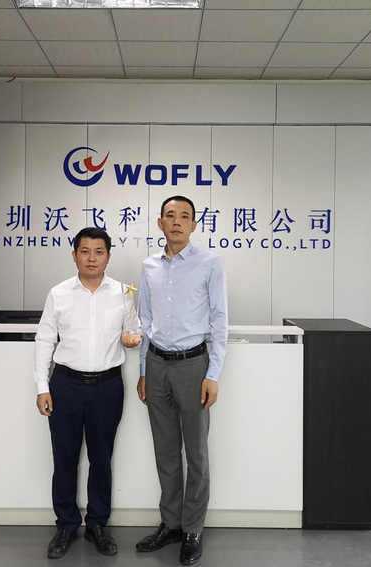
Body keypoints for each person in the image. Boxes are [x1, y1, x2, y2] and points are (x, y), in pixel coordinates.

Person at [34, 227, 141, 559]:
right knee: (64, 459)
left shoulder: (123, 293)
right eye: (85, 251)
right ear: (74, 255)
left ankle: (97, 524)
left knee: (101, 460)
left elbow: (134, 329)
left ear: (108, 256)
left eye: (98, 252)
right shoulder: (59, 294)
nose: (91, 258)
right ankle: (66, 525)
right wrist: (42, 387)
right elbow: (44, 340)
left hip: (107, 387)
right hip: (65, 385)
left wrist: (132, 338)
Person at [135, 196, 228, 566]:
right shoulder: (149, 266)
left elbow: (219, 320)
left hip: (193, 366)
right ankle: (171, 523)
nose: (177, 222)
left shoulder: (210, 263)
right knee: (166, 450)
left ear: (193, 225)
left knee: (197, 453)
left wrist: (213, 374)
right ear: (160, 223)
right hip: (157, 365)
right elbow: (144, 320)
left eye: (184, 216)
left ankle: (192, 529)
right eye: (170, 216)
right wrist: (144, 370)